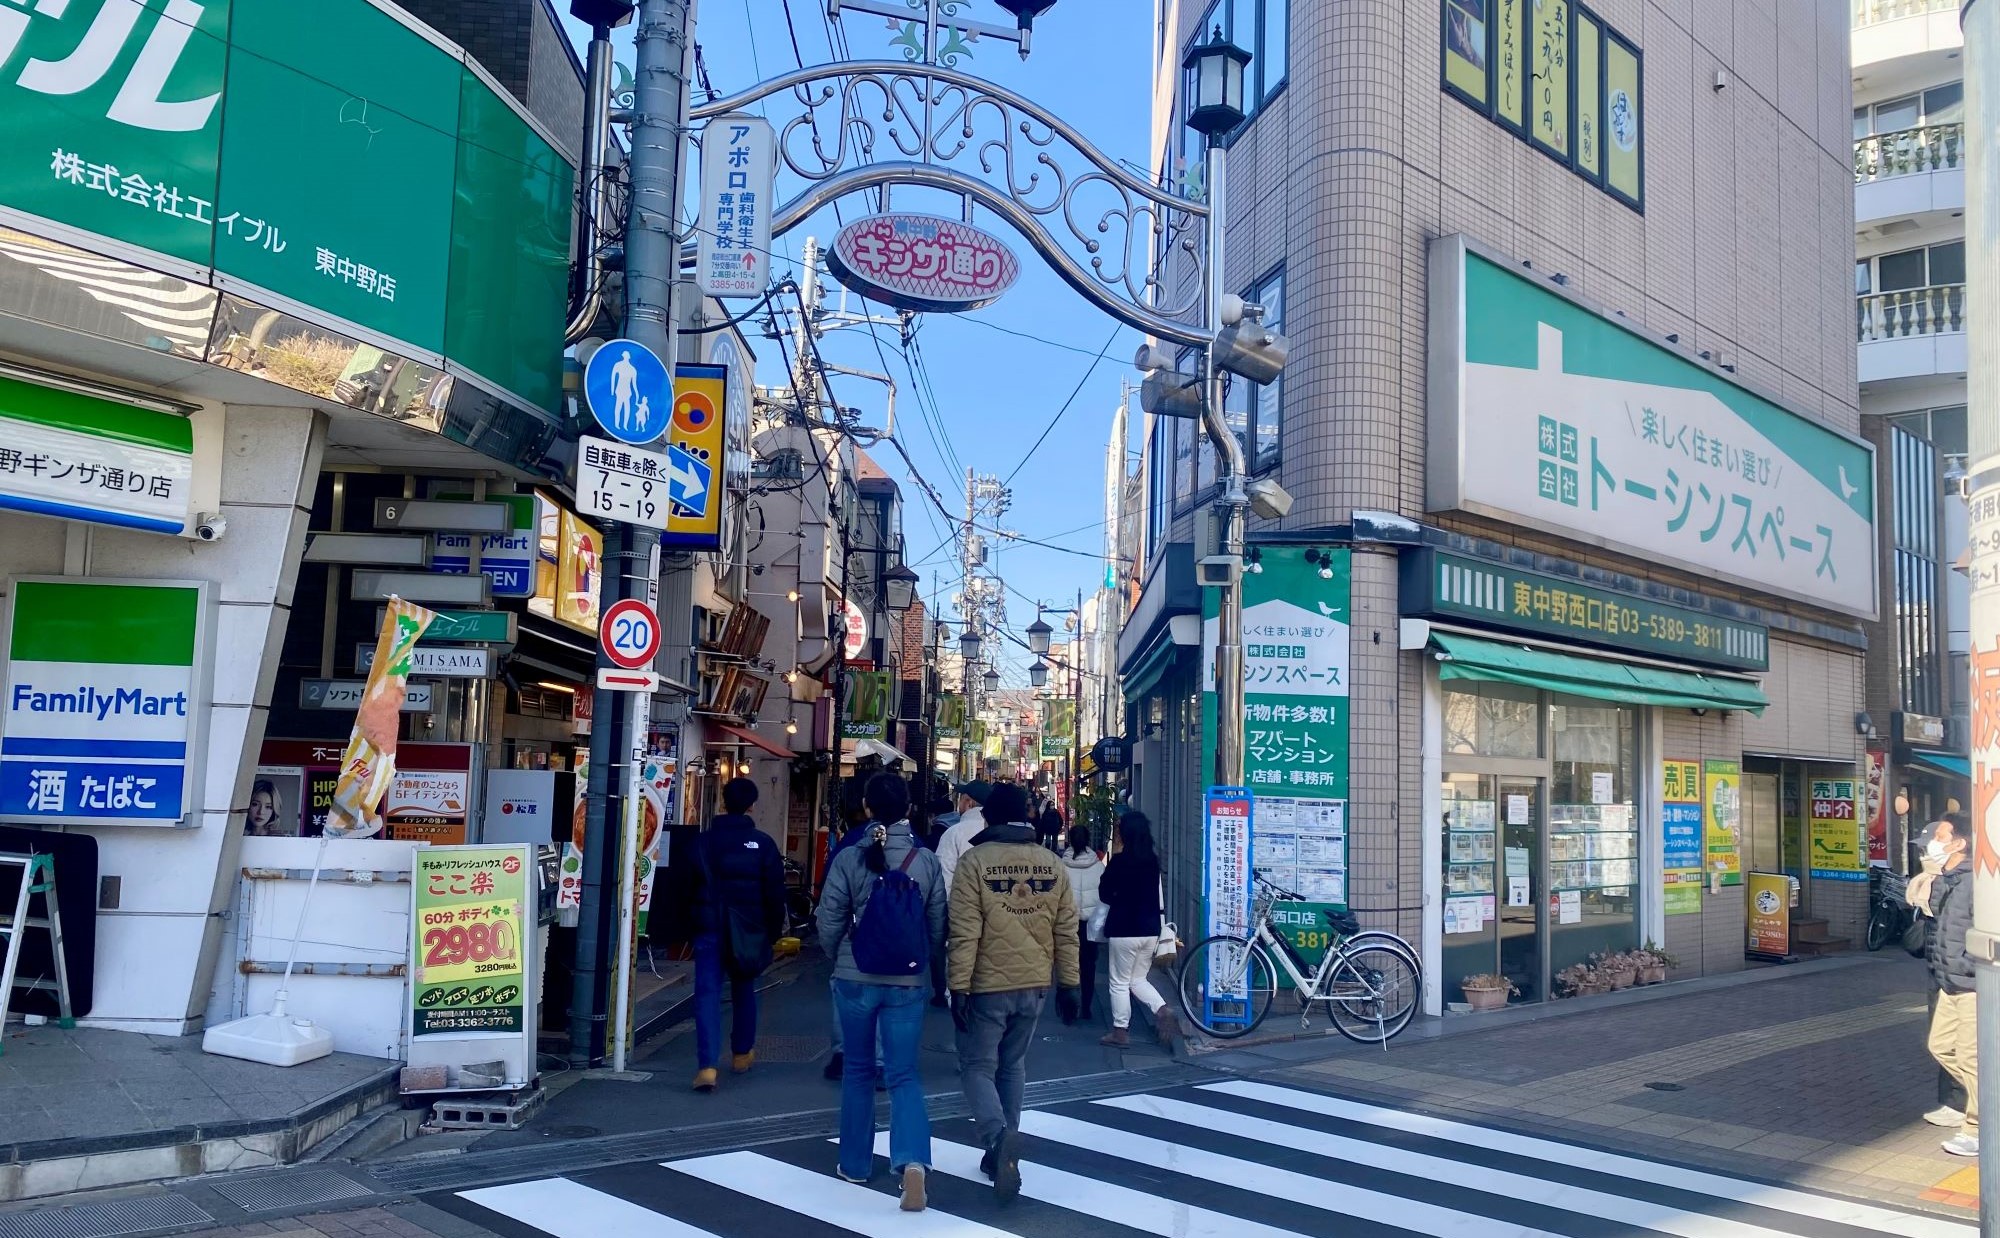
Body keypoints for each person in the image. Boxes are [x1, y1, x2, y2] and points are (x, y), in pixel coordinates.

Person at [817, 773, 946, 1210]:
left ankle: (854, 1164)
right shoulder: (924, 860)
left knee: (857, 1070)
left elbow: (829, 917)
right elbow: (936, 923)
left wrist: (838, 956)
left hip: (855, 976)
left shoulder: (850, 857)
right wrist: (923, 963)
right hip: (907, 981)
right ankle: (912, 1162)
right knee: (904, 1074)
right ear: (908, 810)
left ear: (867, 810)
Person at [948, 782, 1080, 1202]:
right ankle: (1003, 1151)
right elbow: (1067, 930)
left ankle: (997, 1137)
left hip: (987, 984)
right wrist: (1071, 984)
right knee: (1013, 1065)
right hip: (1035, 984)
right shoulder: (1051, 864)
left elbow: (965, 933)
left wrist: (958, 987)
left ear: (987, 818)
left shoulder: (974, 863)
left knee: (977, 1066)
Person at [689, 778, 786, 1093]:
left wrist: (687, 926)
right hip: (747, 930)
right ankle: (742, 1054)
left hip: (708, 928)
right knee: (745, 989)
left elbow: (684, 889)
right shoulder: (763, 843)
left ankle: (706, 1067)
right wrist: (772, 932)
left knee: (706, 996)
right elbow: (774, 893)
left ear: (722, 802)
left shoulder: (702, 842)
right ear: (751, 806)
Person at [1097, 811, 1182, 1051]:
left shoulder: (1120, 861)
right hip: (1149, 930)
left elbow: (1104, 893)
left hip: (1124, 930)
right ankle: (1162, 1009)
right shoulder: (1152, 861)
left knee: (1119, 983)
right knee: (1137, 979)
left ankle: (1120, 1031)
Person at [1923, 812, 1979, 1156]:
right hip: (1949, 981)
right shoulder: (1948, 878)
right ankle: (1987, 1097)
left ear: (1959, 842)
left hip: (1972, 983)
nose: (1933, 843)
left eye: (1940, 837)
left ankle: (1977, 1126)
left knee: (1972, 1057)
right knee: (1940, 1046)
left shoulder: (1978, 880)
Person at [1061, 823, 1104, 1022]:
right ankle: (1086, 1006)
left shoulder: (1061, 866)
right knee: (1088, 966)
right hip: (1090, 923)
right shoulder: (1097, 866)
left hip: (1068, 923)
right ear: (1088, 840)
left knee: (1068, 964)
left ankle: (1069, 1006)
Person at [933, 780, 991, 888]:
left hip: (961, 902)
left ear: (969, 803)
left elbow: (943, 879)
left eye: (961, 799)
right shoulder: (997, 831)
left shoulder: (954, 833)